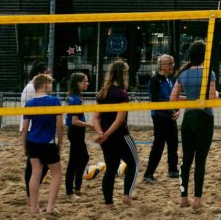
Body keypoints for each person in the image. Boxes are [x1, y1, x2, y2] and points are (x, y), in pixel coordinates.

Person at [170, 40, 217, 209]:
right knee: (200, 161)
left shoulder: (183, 73)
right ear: (205, 55)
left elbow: (172, 98)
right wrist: (216, 93)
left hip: (188, 118)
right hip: (204, 117)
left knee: (186, 160)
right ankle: (197, 200)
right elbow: (211, 99)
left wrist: (190, 99)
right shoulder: (208, 73)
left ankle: (183, 199)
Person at [94, 60, 140, 209]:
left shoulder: (102, 92)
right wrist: (106, 134)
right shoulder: (121, 94)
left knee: (111, 169)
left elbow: (96, 117)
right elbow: (120, 120)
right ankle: (126, 195)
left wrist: (101, 133)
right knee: (134, 163)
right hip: (120, 136)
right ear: (123, 74)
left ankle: (108, 204)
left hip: (106, 138)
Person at [22, 72, 63, 214]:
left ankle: (34, 208)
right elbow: (60, 126)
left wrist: (24, 146)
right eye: (50, 83)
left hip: (33, 141)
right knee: (57, 174)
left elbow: (25, 128)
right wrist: (60, 143)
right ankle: (50, 207)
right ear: (45, 85)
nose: (51, 86)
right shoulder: (55, 101)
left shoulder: (30, 103)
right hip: (48, 143)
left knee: (35, 173)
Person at [143, 54, 180, 183]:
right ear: (161, 65)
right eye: (168, 63)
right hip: (159, 117)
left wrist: (177, 110)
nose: (171, 65)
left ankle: (173, 170)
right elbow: (156, 101)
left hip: (170, 116)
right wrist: (171, 110)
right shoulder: (155, 80)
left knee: (173, 143)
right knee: (158, 145)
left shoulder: (170, 79)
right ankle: (148, 174)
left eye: (172, 63)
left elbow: (173, 98)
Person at [21, 61, 50, 197]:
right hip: (32, 129)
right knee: (35, 165)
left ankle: (31, 191)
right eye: (47, 73)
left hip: (35, 129)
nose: (49, 76)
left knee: (40, 164)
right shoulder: (32, 88)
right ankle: (30, 192)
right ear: (40, 74)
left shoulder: (33, 87)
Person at [64, 72, 94, 199]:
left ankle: (76, 188)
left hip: (76, 132)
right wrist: (90, 125)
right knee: (74, 162)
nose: (87, 83)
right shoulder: (75, 99)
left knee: (83, 159)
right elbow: (74, 121)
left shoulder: (74, 97)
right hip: (75, 131)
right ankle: (70, 192)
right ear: (78, 83)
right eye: (85, 81)